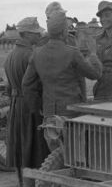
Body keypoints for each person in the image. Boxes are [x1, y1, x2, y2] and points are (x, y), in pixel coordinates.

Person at [22, 10, 102, 146]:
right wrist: (93, 54)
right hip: (71, 112)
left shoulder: (37, 53)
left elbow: (26, 85)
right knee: (75, 153)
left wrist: (38, 107)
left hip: (49, 113)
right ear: (64, 31)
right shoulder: (72, 52)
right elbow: (95, 74)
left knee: (56, 152)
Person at [4, 16, 50, 187]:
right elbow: (37, 85)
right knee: (33, 147)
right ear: (29, 34)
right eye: (36, 33)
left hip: (16, 104)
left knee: (20, 147)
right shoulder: (31, 55)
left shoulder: (11, 55)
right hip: (29, 104)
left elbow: (8, 87)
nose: (39, 36)